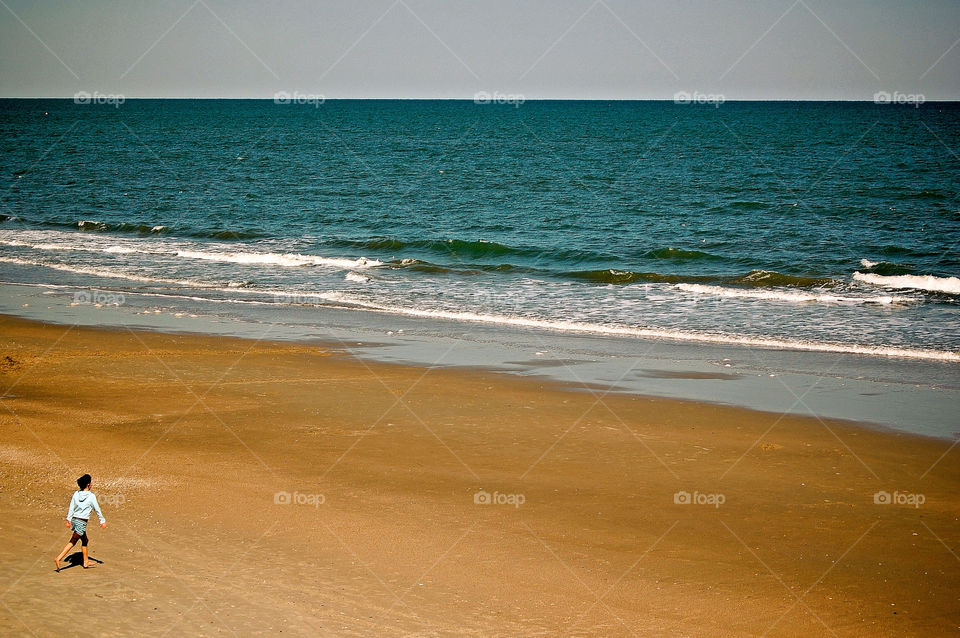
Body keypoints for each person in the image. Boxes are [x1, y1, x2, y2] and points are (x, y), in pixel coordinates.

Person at [54, 474, 107, 571]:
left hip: (75, 520)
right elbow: (97, 509)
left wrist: (68, 519)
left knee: (85, 540)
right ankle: (58, 558)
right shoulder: (91, 496)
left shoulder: (76, 494)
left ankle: (86, 561)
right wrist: (102, 520)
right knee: (73, 541)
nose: (91, 484)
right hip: (81, 522)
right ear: (88, 484)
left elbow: (71, 507)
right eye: (90, 483)